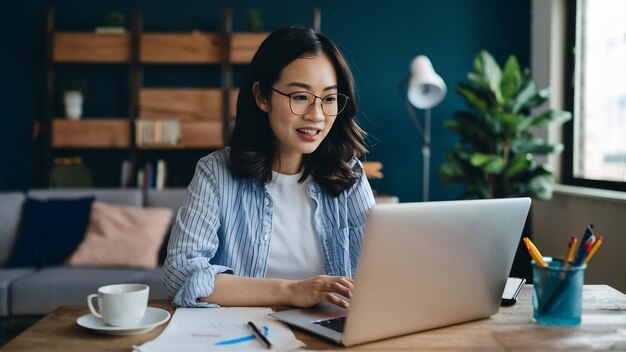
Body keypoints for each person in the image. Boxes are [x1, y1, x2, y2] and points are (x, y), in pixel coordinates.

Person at [163, 26, 375, 309]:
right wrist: (290, 291)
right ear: (262, 97)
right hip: (246, 334)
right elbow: (180, 273)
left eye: (329, 99)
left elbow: (380, 271)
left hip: (329, 331)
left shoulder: (350, 174)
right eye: (300, 97)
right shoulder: (214, 173)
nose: (316, 115)